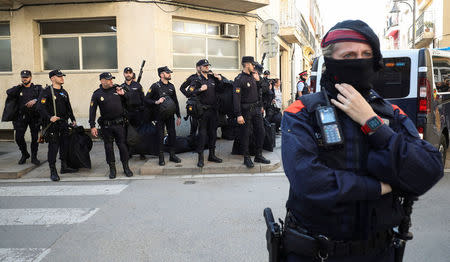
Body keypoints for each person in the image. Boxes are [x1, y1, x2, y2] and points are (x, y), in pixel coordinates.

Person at [281, 20, 443, 262]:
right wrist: (379, 187)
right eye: (349, 55)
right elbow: (309, 181)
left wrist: (371, 122)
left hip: (379, 251)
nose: (359, 60)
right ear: (331, 61)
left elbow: (429, 169)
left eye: (366, 54)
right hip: (315, 253)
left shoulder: (391, 113)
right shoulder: (301, 111)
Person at [89, 72, 133, 179]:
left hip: (119, 124)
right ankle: (112, 169)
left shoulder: (117, 89)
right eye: (108, 79)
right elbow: (92, 111)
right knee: (108, 147)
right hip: (106, 126)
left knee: (122, 146)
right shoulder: (97, 94)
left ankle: (126, 167)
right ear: (102, 81)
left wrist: (123, 94)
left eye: (111, 79)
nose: (111, 81)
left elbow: (130, 101)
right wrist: (92, 125)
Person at [37, 70, 78, 181]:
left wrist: (73, 119)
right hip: (52, 125)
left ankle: (64, 167)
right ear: (52, 78)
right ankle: (53, 170)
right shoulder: (46, 92)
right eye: (59, 76)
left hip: (63, 124)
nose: (62, 78)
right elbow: (40, 107)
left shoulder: (64, 92)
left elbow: (68, 107)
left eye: (62, 76)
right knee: (53, 148)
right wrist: (50, 117)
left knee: (65, 146)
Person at [233, 56, 271, 168]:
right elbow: (236, 99)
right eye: (252, 64)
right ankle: (247, 157)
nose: (254, 66)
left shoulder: (254, 77)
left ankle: (258, 155)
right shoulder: (239, 79)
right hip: (245, 111)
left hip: (256, 110)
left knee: (261, 132)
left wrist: (259, 81)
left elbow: (264, 90)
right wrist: (238, 114)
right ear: (247, 64)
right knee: (246, 135)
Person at [186, 59, 224, 167]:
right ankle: (200, 158)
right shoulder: (197, 80)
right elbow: (189, 92)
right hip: (203, 111)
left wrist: (220, 79)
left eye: (208, 66)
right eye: (205, 66)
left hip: (213, 111)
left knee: (213, 134)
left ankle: (212, 155)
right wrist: (200, 90)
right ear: (200, 68)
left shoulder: (212, 78)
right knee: (202, 135)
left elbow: (220, 90)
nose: (207, 67)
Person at [145, 66, 182, 166]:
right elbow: (146, 99)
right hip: (159, 116)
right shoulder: (155, 86)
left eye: (169, 72)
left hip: (170, 116)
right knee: (160, 136)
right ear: (161, 74)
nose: (169, 74)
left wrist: (178, 116)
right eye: (167, 72)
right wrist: (156, 102)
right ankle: (161, 157)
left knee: (172, 134)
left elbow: (175, 101)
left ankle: (172, 155)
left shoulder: (171, 86)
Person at [6, 70, 42, 165]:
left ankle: (34, 157)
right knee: (18, 137)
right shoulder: (18, 88)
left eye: (26, 77)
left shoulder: (37, 88)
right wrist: (18, 86)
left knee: (34, 138)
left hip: (34, 116)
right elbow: (9, 93)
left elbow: (44, 97)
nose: (24, 79)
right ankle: (24, 154)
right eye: (23, 77)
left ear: (30, 77)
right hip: (21, 117)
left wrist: (35, 100)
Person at [121, 67, 146, 160]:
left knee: (139, 133)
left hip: (137, 113)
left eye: (130, 73)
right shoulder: (121, 87)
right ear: (124, 74)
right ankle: (129, 152)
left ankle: (141, 153)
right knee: (127, 133)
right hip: (127, 113)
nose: (128, 74)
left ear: (132, 74)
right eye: (126, 73)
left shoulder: (138, 86)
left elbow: (143, 99)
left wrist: (144, 112)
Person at [180, 62, 201, 137]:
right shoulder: (192, 77)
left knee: (203, 125)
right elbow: (182, 87)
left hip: (203, 104)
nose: (201, 68)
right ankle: (192, 139)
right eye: (199, 67)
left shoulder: (207, 77)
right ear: (197, 67)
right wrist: (187, 95)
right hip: (194, 104)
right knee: (194, 123)